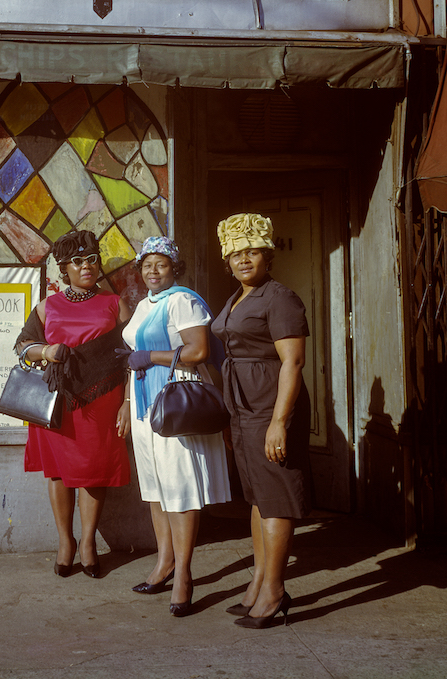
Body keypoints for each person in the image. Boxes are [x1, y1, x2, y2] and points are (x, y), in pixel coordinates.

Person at [118, 236, 231, 617]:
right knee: (155, 490)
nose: (153, 270)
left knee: (179, 490)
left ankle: (184, 573)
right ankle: (164, 562)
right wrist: (125, 402)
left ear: (174, 269)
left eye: (161, 264)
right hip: (143, 405)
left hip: (175, 403)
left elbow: (197, 351)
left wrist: (150, 355)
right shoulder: (143, 305)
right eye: (147, 264)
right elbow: (131, 359)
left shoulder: (183, 300)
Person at [211, 212, 312, 629]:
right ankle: (258, 581)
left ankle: (274, 591)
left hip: (270, 406)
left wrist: (279, 423)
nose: (243, 260)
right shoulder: (236, 298)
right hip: (243, 408)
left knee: (275, 499)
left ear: (267, 255)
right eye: (236, 253)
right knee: (255, 497)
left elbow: (294, 362)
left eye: (252, 251)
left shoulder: (279, 297)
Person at [16, 230, 131, 578]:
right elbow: (23, 346)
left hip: (102, 402)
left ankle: (88, 544)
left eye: (92, 259)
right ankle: (65, 541)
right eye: (78, 261)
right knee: (58, 473)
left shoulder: (115, 304)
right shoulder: (46, 306)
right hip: (58, 401)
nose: (87, 267)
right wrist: (46, 350)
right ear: (65, 268)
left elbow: (129, 356)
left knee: (94, 473)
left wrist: (127, 401)